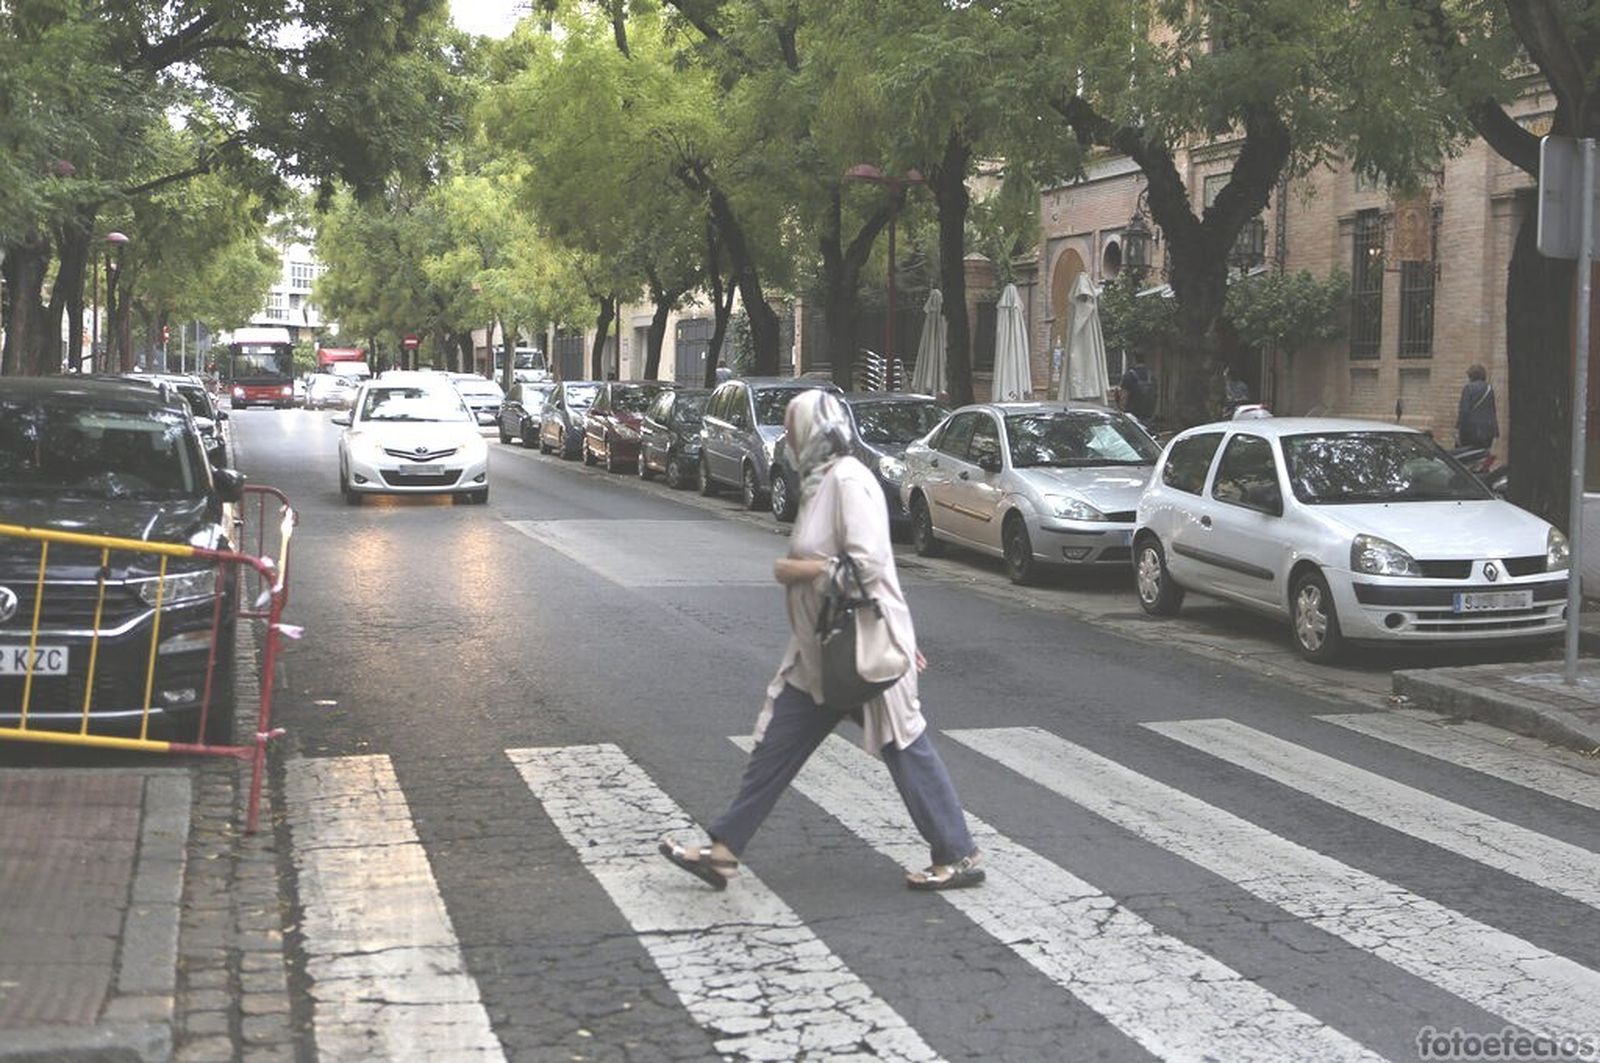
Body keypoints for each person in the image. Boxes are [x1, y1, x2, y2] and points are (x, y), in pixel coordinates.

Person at [660, 390, 985, 893]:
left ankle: (958, 853)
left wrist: (799, 569)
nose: (787, 438)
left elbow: (868, 568)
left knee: (905, 744)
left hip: (862, 647)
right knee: (776, 747)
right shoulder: (821, 482)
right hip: (820, 652)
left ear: (817, 433)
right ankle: (722, 853)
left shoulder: (851, 482)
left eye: (793, 429)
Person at [1457, 364, 1499, 449]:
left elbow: (1464, 410)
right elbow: (1492, 410)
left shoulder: (1468, 387)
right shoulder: (1489, 388)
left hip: (1472, 430)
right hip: (1488, 431)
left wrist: (1458, 428)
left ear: (1471, 375)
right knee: (1483, 453)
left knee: (1466, 455)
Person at [1119, 356, 1155, 420]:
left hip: (1132, 415)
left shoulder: (1129, 375)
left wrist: (1121, 410)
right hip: (1148, 414)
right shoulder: (1151, 375)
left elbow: (1124, 397)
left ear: (1134, 360)